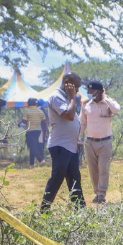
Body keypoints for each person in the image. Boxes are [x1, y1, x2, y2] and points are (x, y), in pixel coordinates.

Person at [40, 73, 86, 211]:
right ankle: (44, 210)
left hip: (70, 145)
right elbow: (69, 116)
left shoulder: (66, 98)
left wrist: (75, 139)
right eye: (76, 87)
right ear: (67, 83)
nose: (77, 91)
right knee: (57, 179)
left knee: (74, 178)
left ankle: (81, 211)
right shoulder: (57, 97)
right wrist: (73, 98)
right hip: (60, 146)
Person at [79, 81, 120, 204]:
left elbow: (117, 109)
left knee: (103, 168)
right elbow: (82, 122)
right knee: (92, 169)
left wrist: (105, 98)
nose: (89, 93)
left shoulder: (108, 104)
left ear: (99, 91)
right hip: (90, 142)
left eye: (92, 91)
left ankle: (102, 193)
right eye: (89, 91)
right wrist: (79, 137)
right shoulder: (86, 104)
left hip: (105, 142)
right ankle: (97, 192)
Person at [20, 98, 47, 167]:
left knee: (32, 146)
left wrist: (19, 124)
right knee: (34, 146)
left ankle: (41, 160)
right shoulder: (41, 111)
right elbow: (44, 123)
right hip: (39, 131)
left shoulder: (27, 111)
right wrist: (45, 132)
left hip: (30, 131)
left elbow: (24, 123)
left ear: (28, 104)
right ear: (36, 104)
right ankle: (31, 164)